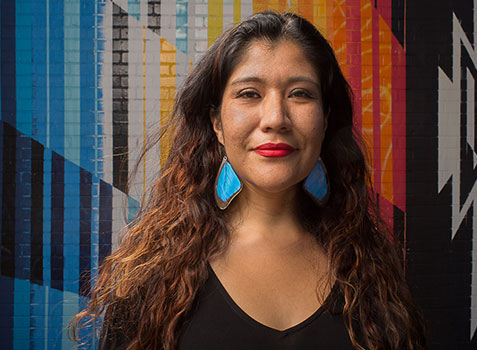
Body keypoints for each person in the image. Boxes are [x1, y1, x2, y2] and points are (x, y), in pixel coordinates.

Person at [70, 11, 427, 350]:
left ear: (325, 119)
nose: (275, 118)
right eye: (249, 94)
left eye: (300, 93)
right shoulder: (153, 275)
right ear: (217, 124)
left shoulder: (373, 274)